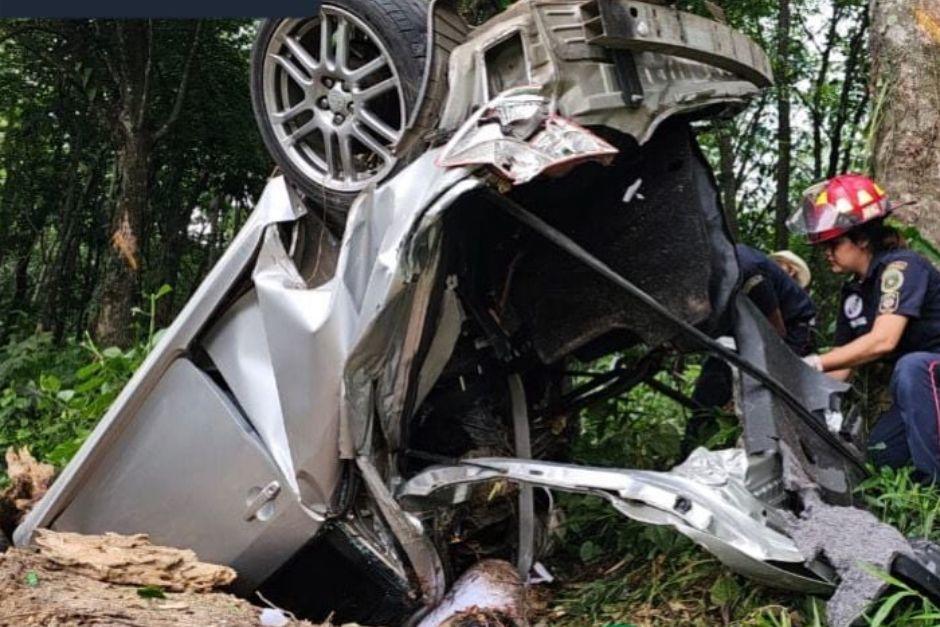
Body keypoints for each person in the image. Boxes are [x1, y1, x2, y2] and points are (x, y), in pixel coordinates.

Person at [789, 173, 940, 482]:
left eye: (834, 242)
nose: (826, 251)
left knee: (911, 368)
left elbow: (883, 340)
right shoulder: (854, 294)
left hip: (928, 371)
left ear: (861, 238)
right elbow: (843, 364)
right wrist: (796, 391)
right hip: (923, 391)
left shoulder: (902, 268)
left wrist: (814, 361)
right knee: (879, 456)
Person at [686, 244, 817, 450]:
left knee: (768, 403)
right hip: (736, 338)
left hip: (779, 338)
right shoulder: (727, 270)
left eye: (785, 267)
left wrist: (742, 394)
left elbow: (775, 334)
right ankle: (696, 447)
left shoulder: (750, 270)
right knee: (708, 396)